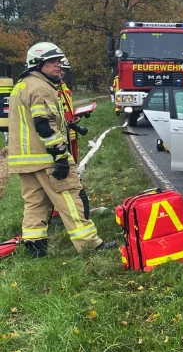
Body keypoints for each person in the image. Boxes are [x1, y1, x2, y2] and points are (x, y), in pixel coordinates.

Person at [8, 42, 116, 256]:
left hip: (25, 160)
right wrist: (59, 156)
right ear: (37, 64)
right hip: (47, 158)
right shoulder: (41, 87)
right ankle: (90, 245)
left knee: (35, 203)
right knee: (70, 199)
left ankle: (35, 248)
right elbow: (44, 124)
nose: (58, 65)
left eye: (58, 61)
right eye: (52, 61)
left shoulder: (21, 85)